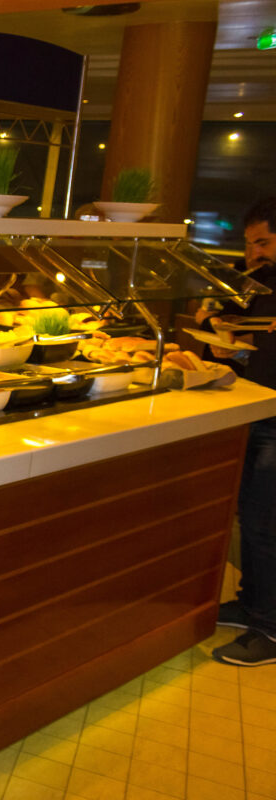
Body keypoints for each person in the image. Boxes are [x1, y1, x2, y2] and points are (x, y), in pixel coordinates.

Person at [208, 196, 276, 666]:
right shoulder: (259, 283)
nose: (255, 253)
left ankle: (269, 628)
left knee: (265, 524)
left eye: (265, 242)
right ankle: (252, 602)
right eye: (251, 244)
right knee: (250, 520)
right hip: (258, 408)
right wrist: (233, 349)